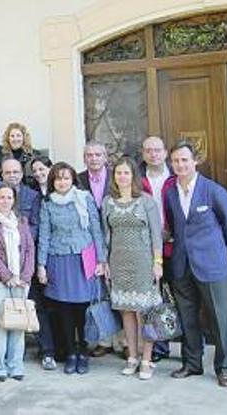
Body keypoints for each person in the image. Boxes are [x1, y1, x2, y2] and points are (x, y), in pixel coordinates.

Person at [165, 141, 227, 388]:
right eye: (176, 161)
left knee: (220, 319)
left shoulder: (213, 190)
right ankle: (192, 363)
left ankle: (226, 367)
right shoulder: (170, 192)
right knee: (188, 318)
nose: (180, 165)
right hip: (181, 264)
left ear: (194, 161)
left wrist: (215, 249)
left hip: (211, 265)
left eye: (184, 160)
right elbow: (175, 227)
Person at [36, 162, 106, 375]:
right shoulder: (48, 203)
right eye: (58, 178)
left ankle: (83, 351)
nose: (62, 182)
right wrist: (41, 265)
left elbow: (96, 230)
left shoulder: (84, 198)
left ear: (73, 179)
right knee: (64, 309)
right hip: (58, 259)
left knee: (82, 309)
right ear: (52, 181)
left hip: (83, 259)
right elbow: (45, 235)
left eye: (66, 178)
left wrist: (101, 260)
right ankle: (70, 353)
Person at [101, 157, 163, 380]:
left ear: (133, 176)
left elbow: (157, 235)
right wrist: (105, 261)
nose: (122, 177)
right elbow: (104, 235)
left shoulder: (146, 201)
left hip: (143, 263)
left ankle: (147, 359)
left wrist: (158, 263)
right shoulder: (108, 202)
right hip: (118, 263)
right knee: (126, 311)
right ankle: (132, 357)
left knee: (145, 314)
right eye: (118, 173)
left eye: (126, 173)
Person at [2, 157, 57, 370]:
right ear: (2, 174)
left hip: (27, 259)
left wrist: (17, 239)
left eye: (16, 172)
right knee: (7, 307)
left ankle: (47, 351)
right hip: (3, 262)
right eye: (8, 173)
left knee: (35, 306)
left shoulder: (33, 197)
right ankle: (13, 352)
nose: (12, 176)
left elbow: (36, 225)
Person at [0, 183, 36, 381]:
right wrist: (7, 276)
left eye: (9, 197)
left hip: (21, 280)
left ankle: (16, 365)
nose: (5, 201)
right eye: (1, 197)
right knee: (1, 321)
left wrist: (25, 276)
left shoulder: (22, 221)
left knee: (18, 323)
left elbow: (29, 249)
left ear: (14, 200)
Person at [76, 140, 118, 359]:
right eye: (89, 155)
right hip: (91, 243)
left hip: (117, 238)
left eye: (97, 155)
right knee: (99, 291)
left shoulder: (117, 177)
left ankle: (125, 342)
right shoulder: (79, 179)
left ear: (105, 157)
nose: (93, 158)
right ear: (84, 158)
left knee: (119, 290)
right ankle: (104, 339)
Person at [139, 136, 176, 363]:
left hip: (175, 247)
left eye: (158, 150)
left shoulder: (175, 177)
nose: (153, 154)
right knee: (154, 300)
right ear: (143, 154)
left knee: (182, 296)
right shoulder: (138, 180)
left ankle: (193, 346)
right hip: (147, 249)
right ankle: (159, 347)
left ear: (165, 153)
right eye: (149, 150)